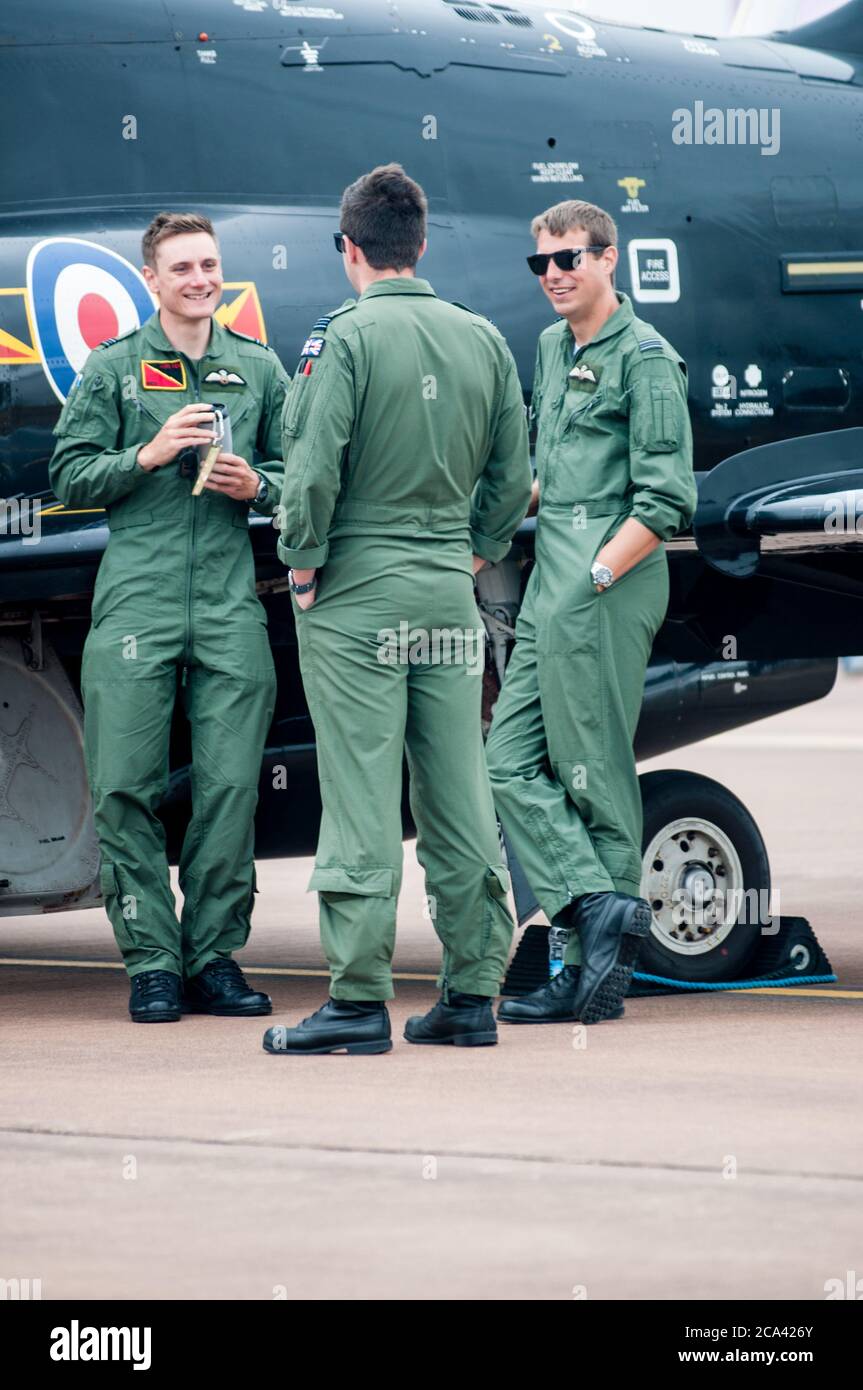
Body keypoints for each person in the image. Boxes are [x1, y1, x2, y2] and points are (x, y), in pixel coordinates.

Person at [263, 163, 532, 1056]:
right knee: (457, 793)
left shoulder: (340, 339)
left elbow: (310, 470)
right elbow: (511, 475)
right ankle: (470, 993)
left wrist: (302, 566)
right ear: (418, 246)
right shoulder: (481, 338)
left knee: (360, 794)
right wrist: (478, 550)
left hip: (358, 591)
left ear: (350, 249)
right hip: (445, 593)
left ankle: (356, 1000)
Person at [50, 212, 289, 1023]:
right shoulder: (116, 369)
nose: (199, 279)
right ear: (150, 280)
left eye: (209, 265)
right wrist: (145, 456)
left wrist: (256, 487)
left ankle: (214, 957)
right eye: (181, 267)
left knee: (228, 787)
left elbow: (307, 475)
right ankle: (152, 962)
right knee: (123, 783)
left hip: (228, 602)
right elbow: (68, 476)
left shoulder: (256, 369)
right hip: (137, 603)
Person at [486, 199, 697, 1027]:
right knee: (508, 762)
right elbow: (551, 471)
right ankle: (597, 911)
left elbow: (666, 499)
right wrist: (486, 534)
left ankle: (587, 976)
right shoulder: (549, 346)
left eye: (569, 259)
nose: (554, 276)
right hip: (551, 591)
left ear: (610, 259)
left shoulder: (645, 359)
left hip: (605, 591)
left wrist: (596, 580)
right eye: (540, 264)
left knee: (593, 781)